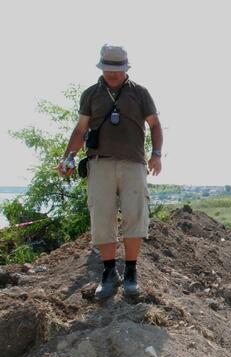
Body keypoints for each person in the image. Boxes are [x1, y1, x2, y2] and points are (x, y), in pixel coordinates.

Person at [58, 44, 163, 300]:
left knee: (134, 216)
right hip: (100, 163)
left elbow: (155, 125)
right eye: (108, 68)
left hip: (133, 164)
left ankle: (131, 274)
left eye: (117, 69)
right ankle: (108, 274)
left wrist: (156, 154)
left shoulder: (140, 93)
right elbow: (81, 130)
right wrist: (68, 157)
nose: (112, 74)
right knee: (102, 218)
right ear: (102, 66)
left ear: (126, 68)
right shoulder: (91, 94)